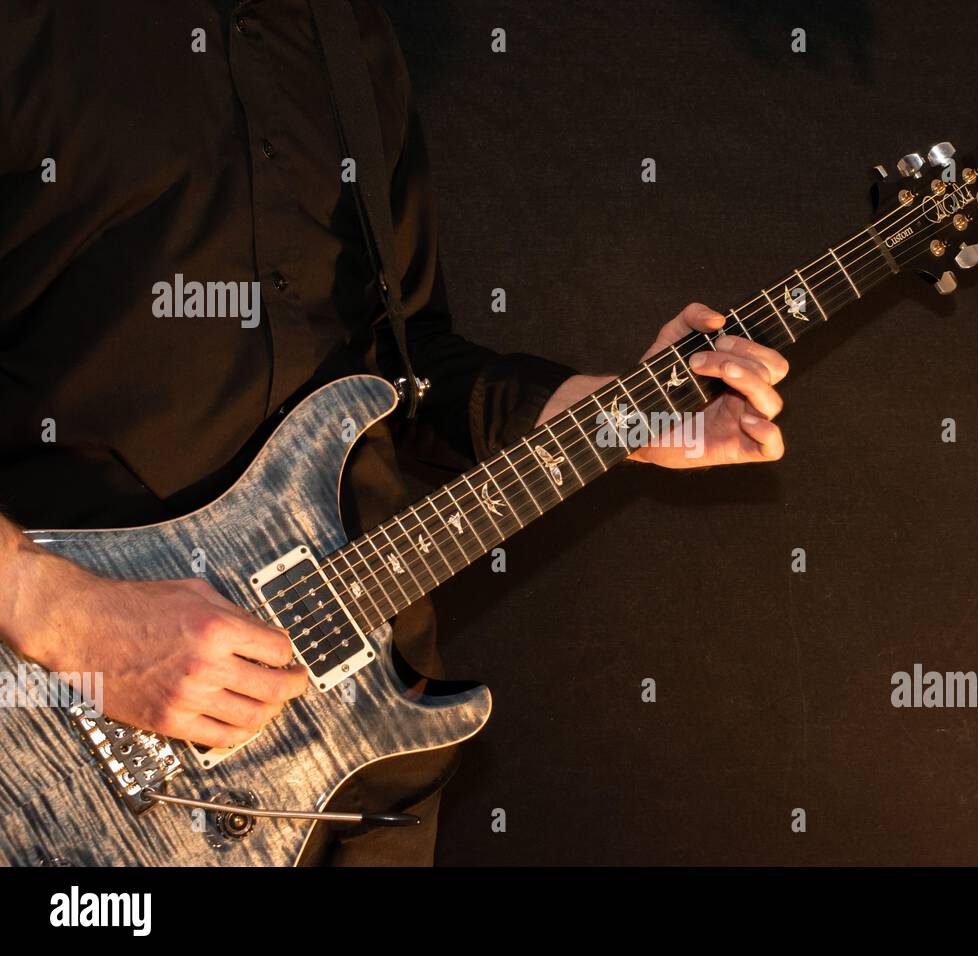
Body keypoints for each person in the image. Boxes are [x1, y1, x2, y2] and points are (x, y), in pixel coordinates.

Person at [0, 0, 787, 864]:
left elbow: (414, 366)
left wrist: (621, 417)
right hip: (64, 756)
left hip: (363, 755)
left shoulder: (344, 32)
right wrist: (60, 614)